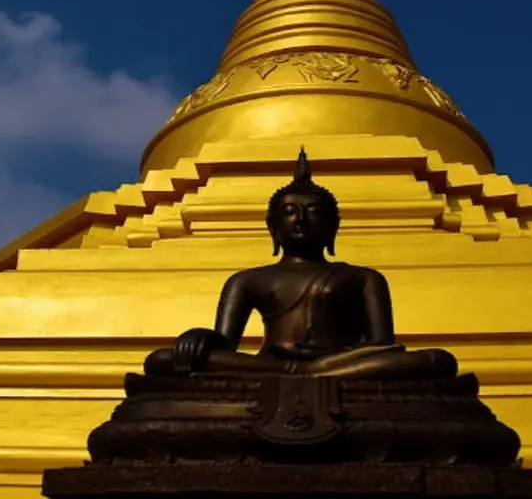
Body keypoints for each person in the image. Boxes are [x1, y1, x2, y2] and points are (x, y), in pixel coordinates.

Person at [144, 148, 457, 380]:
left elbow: (382, 345)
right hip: (270, 365)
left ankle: (314, 372)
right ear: (273, 226)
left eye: (314, 212)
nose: (301, 219)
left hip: (342, 364)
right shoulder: (247, 281)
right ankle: (306, 373)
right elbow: (225, 346)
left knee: (436, 362)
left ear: (334, 227)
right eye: (290, 211)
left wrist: (338, 359)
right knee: (162, 361)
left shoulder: (363, 278)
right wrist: (201, 338)